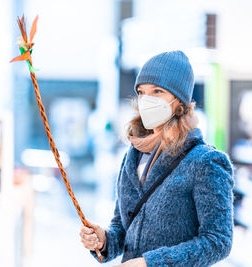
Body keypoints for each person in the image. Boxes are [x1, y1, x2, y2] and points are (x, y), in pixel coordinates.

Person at [80, 51, 234, 266]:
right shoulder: (133, 155)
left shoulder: (205, 162)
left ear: (180, 101)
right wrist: (104, 240)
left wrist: (151, 263)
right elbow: (124, 228)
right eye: (142, 92)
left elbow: (218, 242)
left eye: (158, 91)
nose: (146, 100)